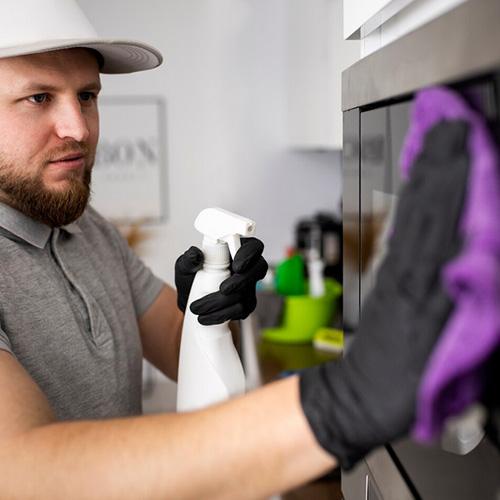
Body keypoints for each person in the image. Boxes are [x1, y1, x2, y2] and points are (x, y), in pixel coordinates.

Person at [0, 1, 465, 498]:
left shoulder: (87, 228)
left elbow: (178, 345)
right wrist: (339, 404)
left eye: (87, 95)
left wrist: (213, 310)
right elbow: (23, 472)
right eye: (39, 97)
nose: (79, 128)